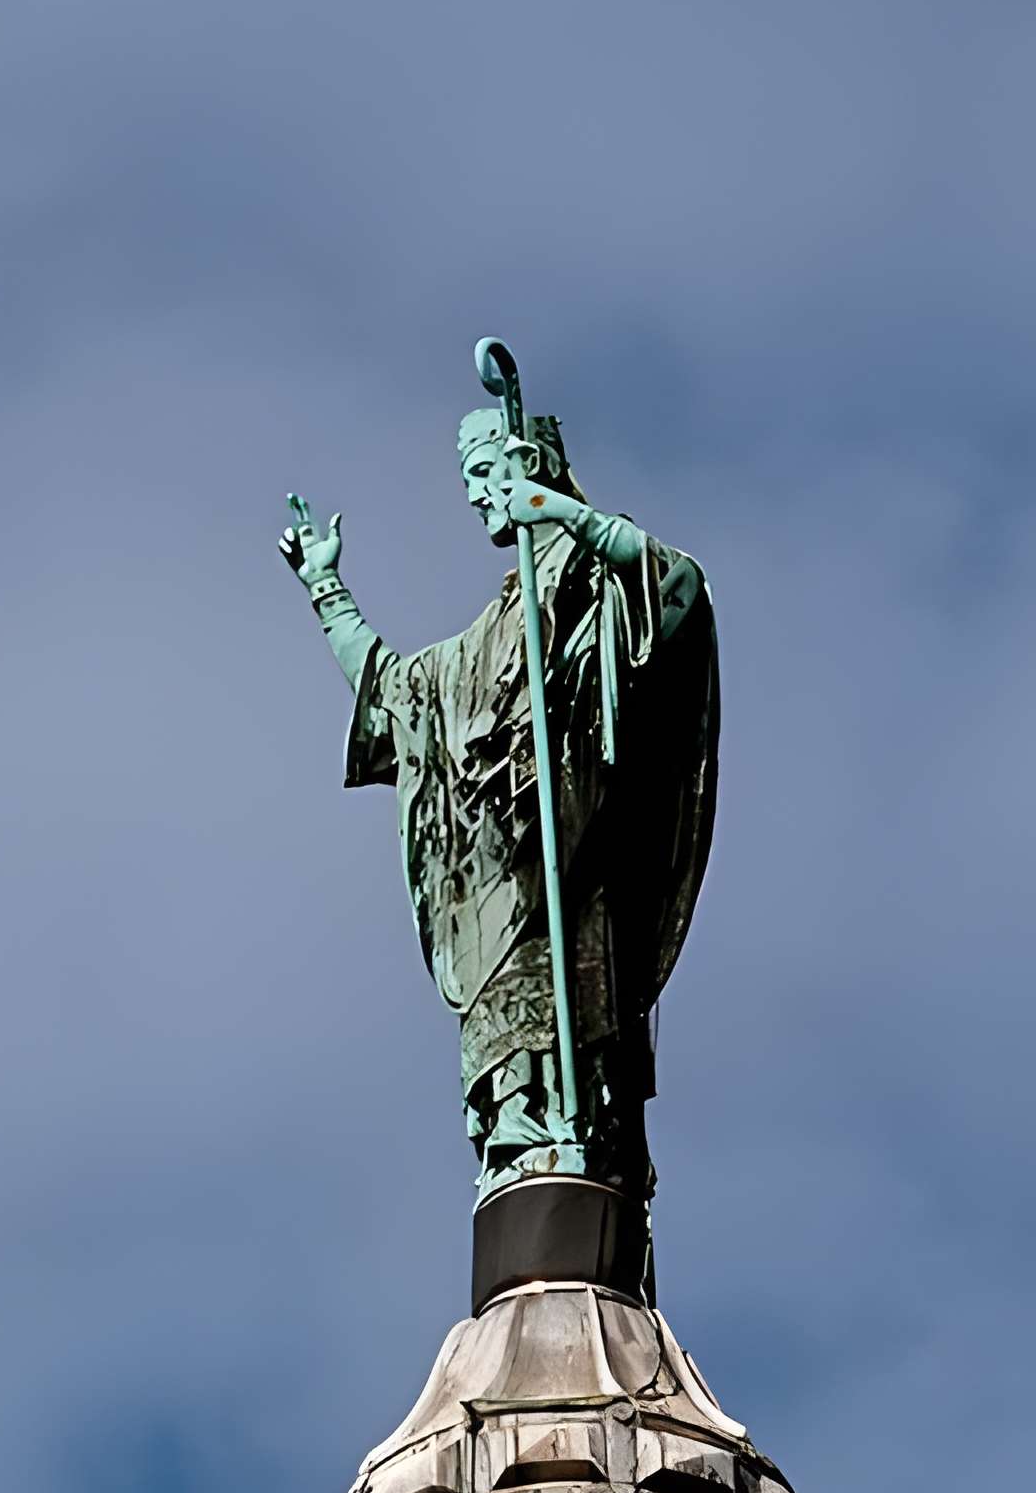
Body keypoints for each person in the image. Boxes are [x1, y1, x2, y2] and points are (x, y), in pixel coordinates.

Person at [280, 403, 718, 1203]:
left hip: (580, 847)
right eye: (471, 481)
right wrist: (326, 591)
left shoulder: (595, 574)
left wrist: (557, 511)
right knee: (502, 1013)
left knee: (576, 1008)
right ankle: (518, 1123)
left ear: (529, 466)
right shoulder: (490, 634)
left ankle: (573, 1133)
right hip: (498, 870)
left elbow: (676, 586)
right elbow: (402, 695)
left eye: (485, 475)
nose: (478, 496)